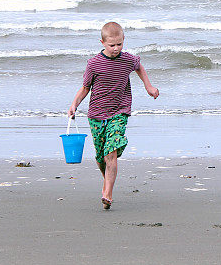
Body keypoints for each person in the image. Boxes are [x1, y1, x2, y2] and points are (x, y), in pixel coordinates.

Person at [67, 22, 159, 209]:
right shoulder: (94, 63)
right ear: (102, 42)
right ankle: (107, 183)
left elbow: (139, 66)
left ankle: (108, 193)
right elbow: (86, 88)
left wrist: (148, 86)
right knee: (101, 157)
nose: (116, 48)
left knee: (111, 151)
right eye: (112, 45)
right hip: (96, 115)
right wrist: (74, 104)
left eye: (119, 44)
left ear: (123, 40)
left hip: (119, 112)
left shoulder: (127, 60)